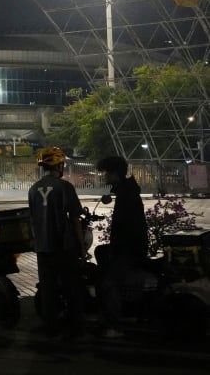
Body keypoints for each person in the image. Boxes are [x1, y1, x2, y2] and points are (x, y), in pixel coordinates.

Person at [28, 146, 84, 340]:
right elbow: (76, 219)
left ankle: (50, 327)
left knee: (48, 289)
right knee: (71, 288)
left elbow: (33, 220)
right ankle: (75, 328)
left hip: (43, 248)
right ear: (59, 165)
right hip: (64, 246)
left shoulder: (33, 189)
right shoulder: (65, 187)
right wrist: (81, 247)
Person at [94, 155, 148, 339]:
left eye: (106, 173)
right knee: (101, 253)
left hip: (128, 250)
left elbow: (126, 227)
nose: (104, 176)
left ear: (114, 173)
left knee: (109, 284)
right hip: (129, 247)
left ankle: (115, 326)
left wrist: (116, 250)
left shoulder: (126, 195)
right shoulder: (126, 191)